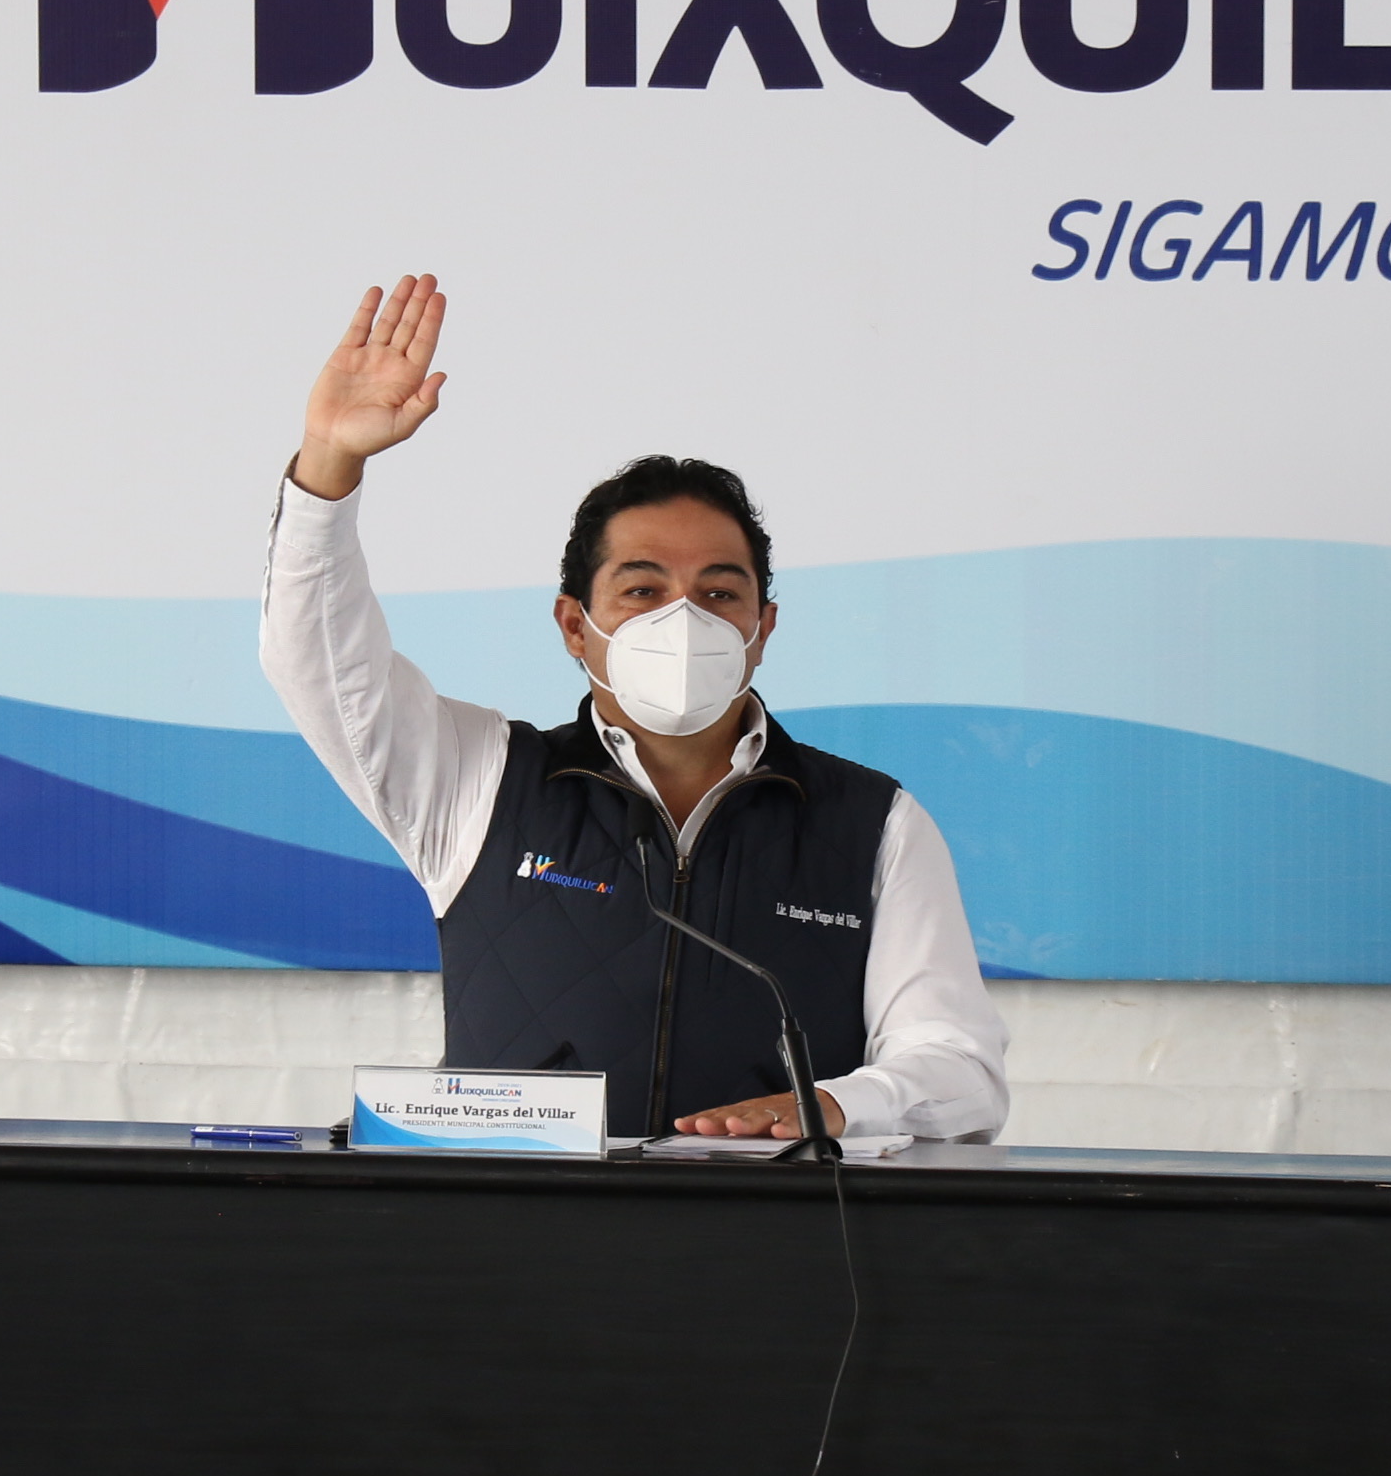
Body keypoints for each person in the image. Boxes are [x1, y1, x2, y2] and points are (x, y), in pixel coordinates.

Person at [259, 275, 1009, 1145]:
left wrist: (843, 1103)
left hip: (768, 1223)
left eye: (719, 593)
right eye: (643, 589)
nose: (683, 620)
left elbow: (962, 1071)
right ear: (576, 626)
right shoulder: (479, 781)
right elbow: (319, 664)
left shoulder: (873, 822)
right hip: (511, 1221)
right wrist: (329, 462)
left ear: (761, 629)